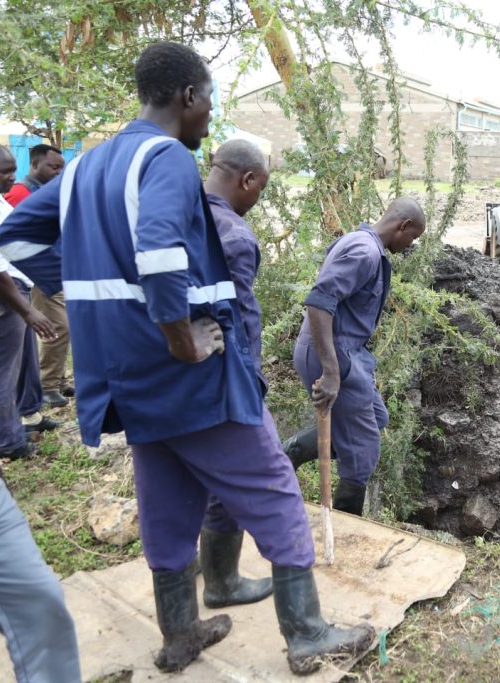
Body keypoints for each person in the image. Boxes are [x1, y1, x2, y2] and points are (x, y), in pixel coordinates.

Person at [0, 42, 374, 675]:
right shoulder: (165, 156)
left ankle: (180, 634)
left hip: (122, 375)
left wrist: (99, 290)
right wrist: (179, 337)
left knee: (167, 494)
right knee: (276, 489)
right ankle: (308, 635)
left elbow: (16, 237)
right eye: (210, 103)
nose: (209, 120)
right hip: (188, 372)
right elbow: (161, 251)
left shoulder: (88, 166)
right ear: (187, 97)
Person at [0, 115, 81, 683]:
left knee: (40, 606)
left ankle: (19, 428)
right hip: (11, 295)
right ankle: (17, 431)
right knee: (7, 369)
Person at [291, 198, 426, 516]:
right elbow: (319, 302)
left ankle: (291, 451)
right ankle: (346, 522)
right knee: (363, 448)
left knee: (376, 419)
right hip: (333, 352)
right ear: (402, 226)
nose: (410, 245)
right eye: (413, 237)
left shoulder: (359, 241)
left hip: (348, 351)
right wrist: (332, 372)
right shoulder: (365, 252)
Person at [197, 138, 272, 609]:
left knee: (189, 478)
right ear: (246, 180)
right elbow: (241, 323)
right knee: (258, 479)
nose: (257, 200)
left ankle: (196, 585)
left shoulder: (172, 217)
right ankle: (223, 584)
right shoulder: (235, 235)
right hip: (224, 381)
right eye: (259, 190)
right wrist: (253, 386)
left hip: (175, 377)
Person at [0, 143, 57, 460]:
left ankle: (28, 414)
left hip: (16, 289)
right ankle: (6, 440)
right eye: (5, 171)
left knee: (22, 362)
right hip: (0, 296)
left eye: (13, 170)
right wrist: (28, 311)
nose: (12, 177)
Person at [5, 144, 72, 409]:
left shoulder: (42, 192)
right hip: (35, 274)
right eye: (53, 167)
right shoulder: (18, 194)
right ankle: (48, 385)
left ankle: (58, 379)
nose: (58, 173)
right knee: (58, 327)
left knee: (65, 326)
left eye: (61, 168)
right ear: (34, 165)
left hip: (55, 269)